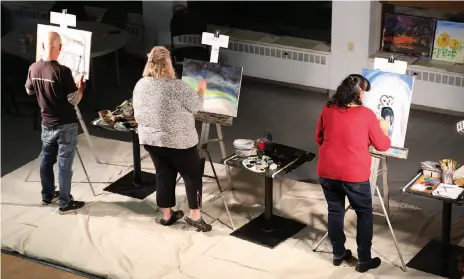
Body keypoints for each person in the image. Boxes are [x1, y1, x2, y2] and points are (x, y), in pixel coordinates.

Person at [315, 74, 391, 273]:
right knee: (364, 214)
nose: (364, 95)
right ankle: (364, 259)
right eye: (363, 91)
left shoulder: (328, 109)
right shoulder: (366, 115)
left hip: (327, 170)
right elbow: (382, 145)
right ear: (357, 93)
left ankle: (338, 253)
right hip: (354, 175)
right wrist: (384, 129)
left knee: (335, 210)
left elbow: (319, 138)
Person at [132, 46, 212, 232]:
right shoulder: (177, 86)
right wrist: (200, 90)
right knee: (192, 176)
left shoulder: (141, 84)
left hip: (151, 140)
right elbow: (196, 106)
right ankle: (195, 216)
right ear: (168, 63)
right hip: (180, 142)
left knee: (163, 174)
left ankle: (167, 215)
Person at [25, 31, 86, 214]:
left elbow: (29, 91)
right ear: (60, 48)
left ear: (43, 46)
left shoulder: (33, 68)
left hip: (46, 123)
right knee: (64, 165)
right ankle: (65, 203)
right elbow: (73, 100)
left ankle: (47, 195)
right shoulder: (63, 71)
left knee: (45, 160)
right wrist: (81, 88)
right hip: (66, 125)